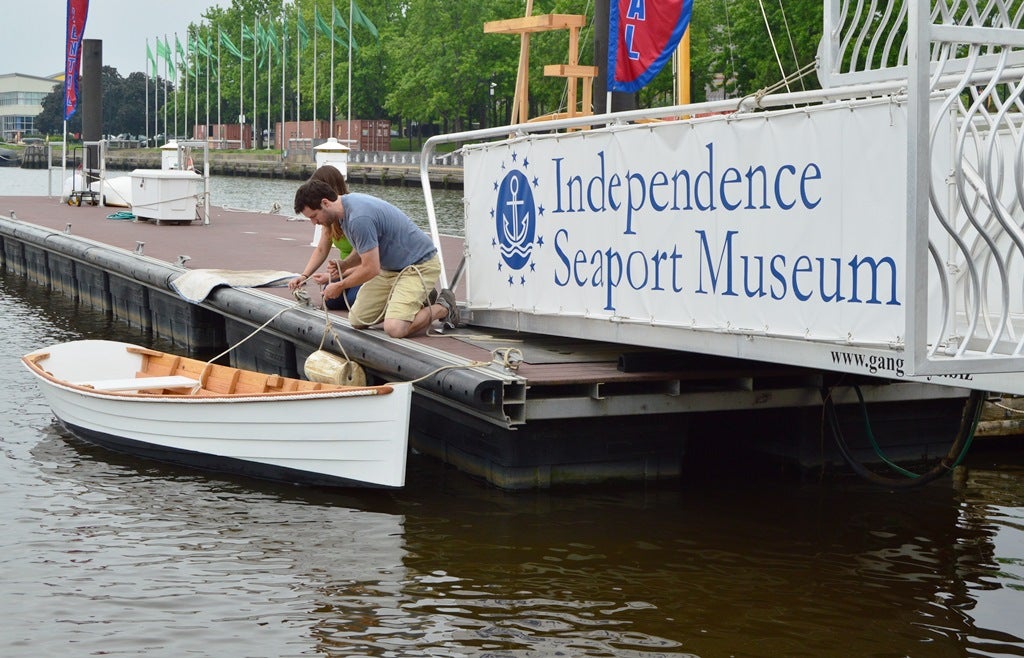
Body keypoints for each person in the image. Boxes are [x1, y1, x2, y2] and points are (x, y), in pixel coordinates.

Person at [290, 178, 459, 338]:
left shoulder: (358, 218)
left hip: (419, 265)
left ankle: (444, 306)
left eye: (313, 216)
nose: (314, 222)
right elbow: (367, 247)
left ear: (325, 203)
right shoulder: (344, 211)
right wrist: (345, 264)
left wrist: (340, 285)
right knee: (357, 319)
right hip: (390, 269)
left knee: (395, 328)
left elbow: (371, 268)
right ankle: (418, 300)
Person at [299, 165, 360, 309]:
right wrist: (304, 276)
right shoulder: (329, 217)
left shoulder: (354, 216)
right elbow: (321, 249)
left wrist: (334, 276)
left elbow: (365, 261)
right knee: (330, 300)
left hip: (362, 269)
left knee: (352, 300)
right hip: (344, 270)